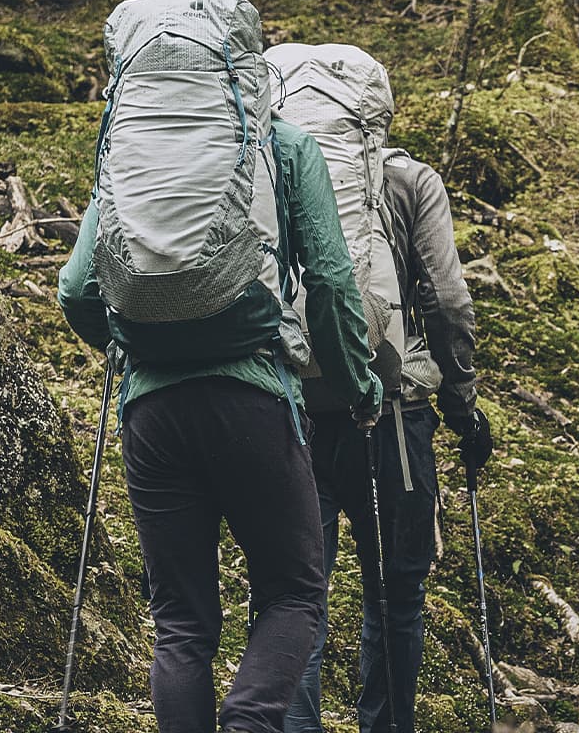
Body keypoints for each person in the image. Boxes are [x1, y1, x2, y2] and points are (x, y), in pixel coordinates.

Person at [57, 42, 384, 733]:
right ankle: (249, 723)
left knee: (180, 624)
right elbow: (329, 283)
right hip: (254, 399)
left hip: (152, 413)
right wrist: (358, 385)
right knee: (294, 593)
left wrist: (136, 349)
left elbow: (77, 289)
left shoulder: (127, 151)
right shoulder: (283, 145)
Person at [278, 63, 495, 733]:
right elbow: (450, 302)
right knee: (395, 596)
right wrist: (461, 407)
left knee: (296, 598)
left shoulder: (274, 166)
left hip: (295, 413)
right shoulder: (410, 180)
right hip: (394, 417)